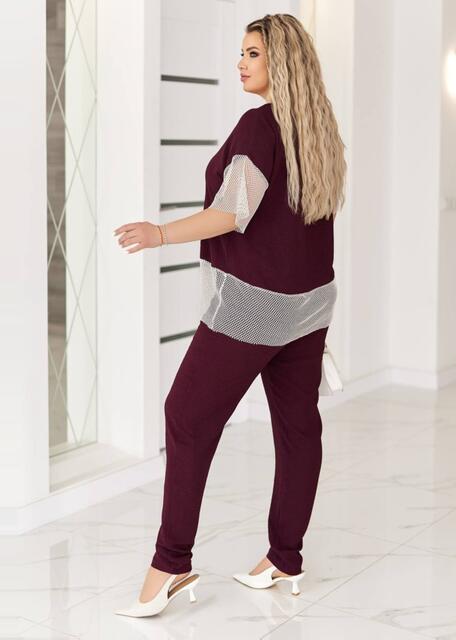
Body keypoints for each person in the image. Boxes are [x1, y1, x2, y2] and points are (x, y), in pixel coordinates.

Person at [113, 13, 347, 618]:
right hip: (310, 303)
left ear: (281, 63)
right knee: (298, 428)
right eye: (241, 52)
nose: (241, 63)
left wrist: (159, 232)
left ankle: (171, 562)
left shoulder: (258, 126)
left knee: (185, 415)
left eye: (253, 53)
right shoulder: (318, 130)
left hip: (254, 307)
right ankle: (285, 557)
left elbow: (232, 212)